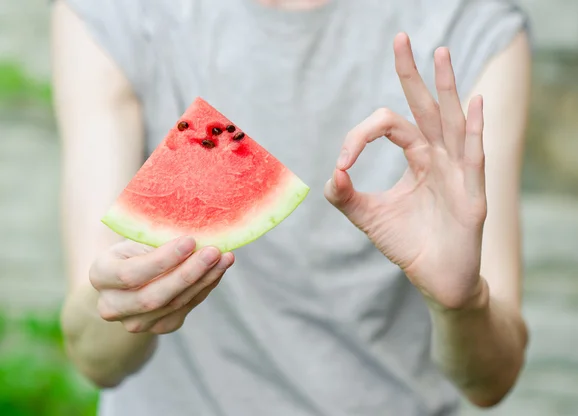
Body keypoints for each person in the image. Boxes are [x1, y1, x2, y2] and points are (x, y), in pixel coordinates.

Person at [51, 0, 531, 414]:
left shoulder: (469, 26)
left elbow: (493, 380)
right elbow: (94, 357)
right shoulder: (119, 12)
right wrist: (126, 301)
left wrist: (462, 304)